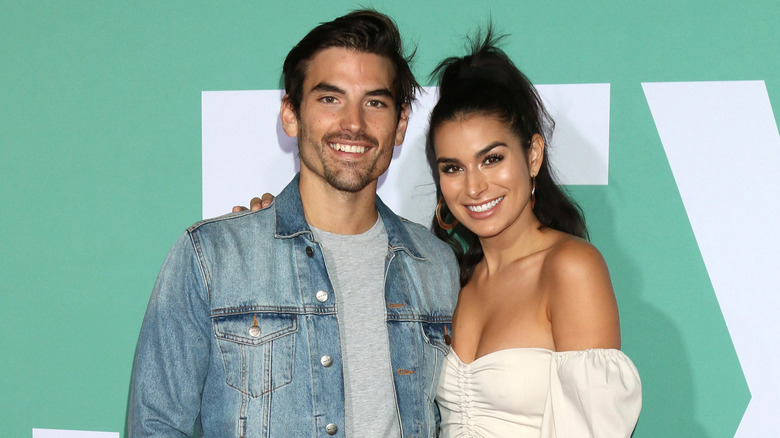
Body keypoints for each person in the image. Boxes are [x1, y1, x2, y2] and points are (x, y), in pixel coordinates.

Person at [128, 10, 460, 437]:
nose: (354, 124)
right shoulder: (212, 258)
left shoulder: (437, 266)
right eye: (329, 99)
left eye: (375, 102)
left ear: (400, 125)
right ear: (290, 114)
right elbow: (156, 427)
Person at [427, 32, 642, 437]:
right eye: (452, 167)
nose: (473, 187)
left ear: (533, 155)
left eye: (491, 159)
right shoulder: (449, 279)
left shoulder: (570, 269)